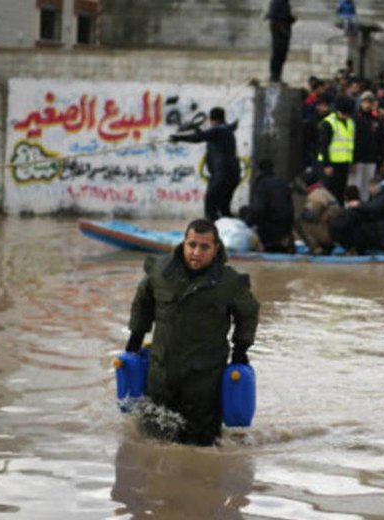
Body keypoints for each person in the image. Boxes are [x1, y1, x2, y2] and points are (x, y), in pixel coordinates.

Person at [126, 218, 259, 446]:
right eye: (192, 244)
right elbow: (142, 301)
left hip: (204, 386)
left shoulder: (229, 283)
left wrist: (241, 349)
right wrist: (136, 336)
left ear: (216, 248)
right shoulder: (161, 271)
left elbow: (249, 312)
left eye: (204, 247)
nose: (196, 252)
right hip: (161, 379)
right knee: (150, 448)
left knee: (201, 453)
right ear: (184, 243)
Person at [172, 108, 240, 222]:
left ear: (211, 119)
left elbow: (198, 138)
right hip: (233, 175)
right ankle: (228, 234)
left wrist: (178, 138)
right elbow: (203, 134)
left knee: (210, 207)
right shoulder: (227, 129)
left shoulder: (218, 130)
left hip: (221, 175)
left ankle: (211, 233)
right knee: (224, 208)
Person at [246, 159, 295, 252]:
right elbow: (290, 207)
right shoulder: (282, 182)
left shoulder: (261, 184)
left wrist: (248, 223)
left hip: (268, 230)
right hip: (284, 229)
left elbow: (258, 209)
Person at [317, 95, 356, 205]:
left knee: (341, 191)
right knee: (330, 192)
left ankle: (338, 213)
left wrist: (351, 161)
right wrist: (327, 165)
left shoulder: (350, 123)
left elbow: (350, 144)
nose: (346, 116)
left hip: (344, 163)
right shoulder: (328, 123)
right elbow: (323, 145)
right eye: (345, 113)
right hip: (331, 163)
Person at [299, 171, 343, 255]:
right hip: (334, 231)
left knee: (300, 221)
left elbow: (309, 215)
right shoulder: (323, 191)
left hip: (328, 233)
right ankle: (326, 246)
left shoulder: (315, 195)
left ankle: (316, 248)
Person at [352, 91, 379, 201]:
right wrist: (353, 159)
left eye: (370, 102)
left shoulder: (375, 120)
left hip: (371, 158)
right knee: (355, 187)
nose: (367, 105)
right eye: (365, 102)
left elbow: (379, 140)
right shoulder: (355, 119)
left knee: (366, 189)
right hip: (358, 159)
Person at [266, 0, 296, 83]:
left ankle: (277, 76)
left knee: (282, 55)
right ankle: (275, 76)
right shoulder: (278, 2)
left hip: (283, 32)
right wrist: (283, 28)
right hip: (279, 34)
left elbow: (282, 16)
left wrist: (290, 19)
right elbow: (274, 18)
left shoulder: (284, 2)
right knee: (278, 54)